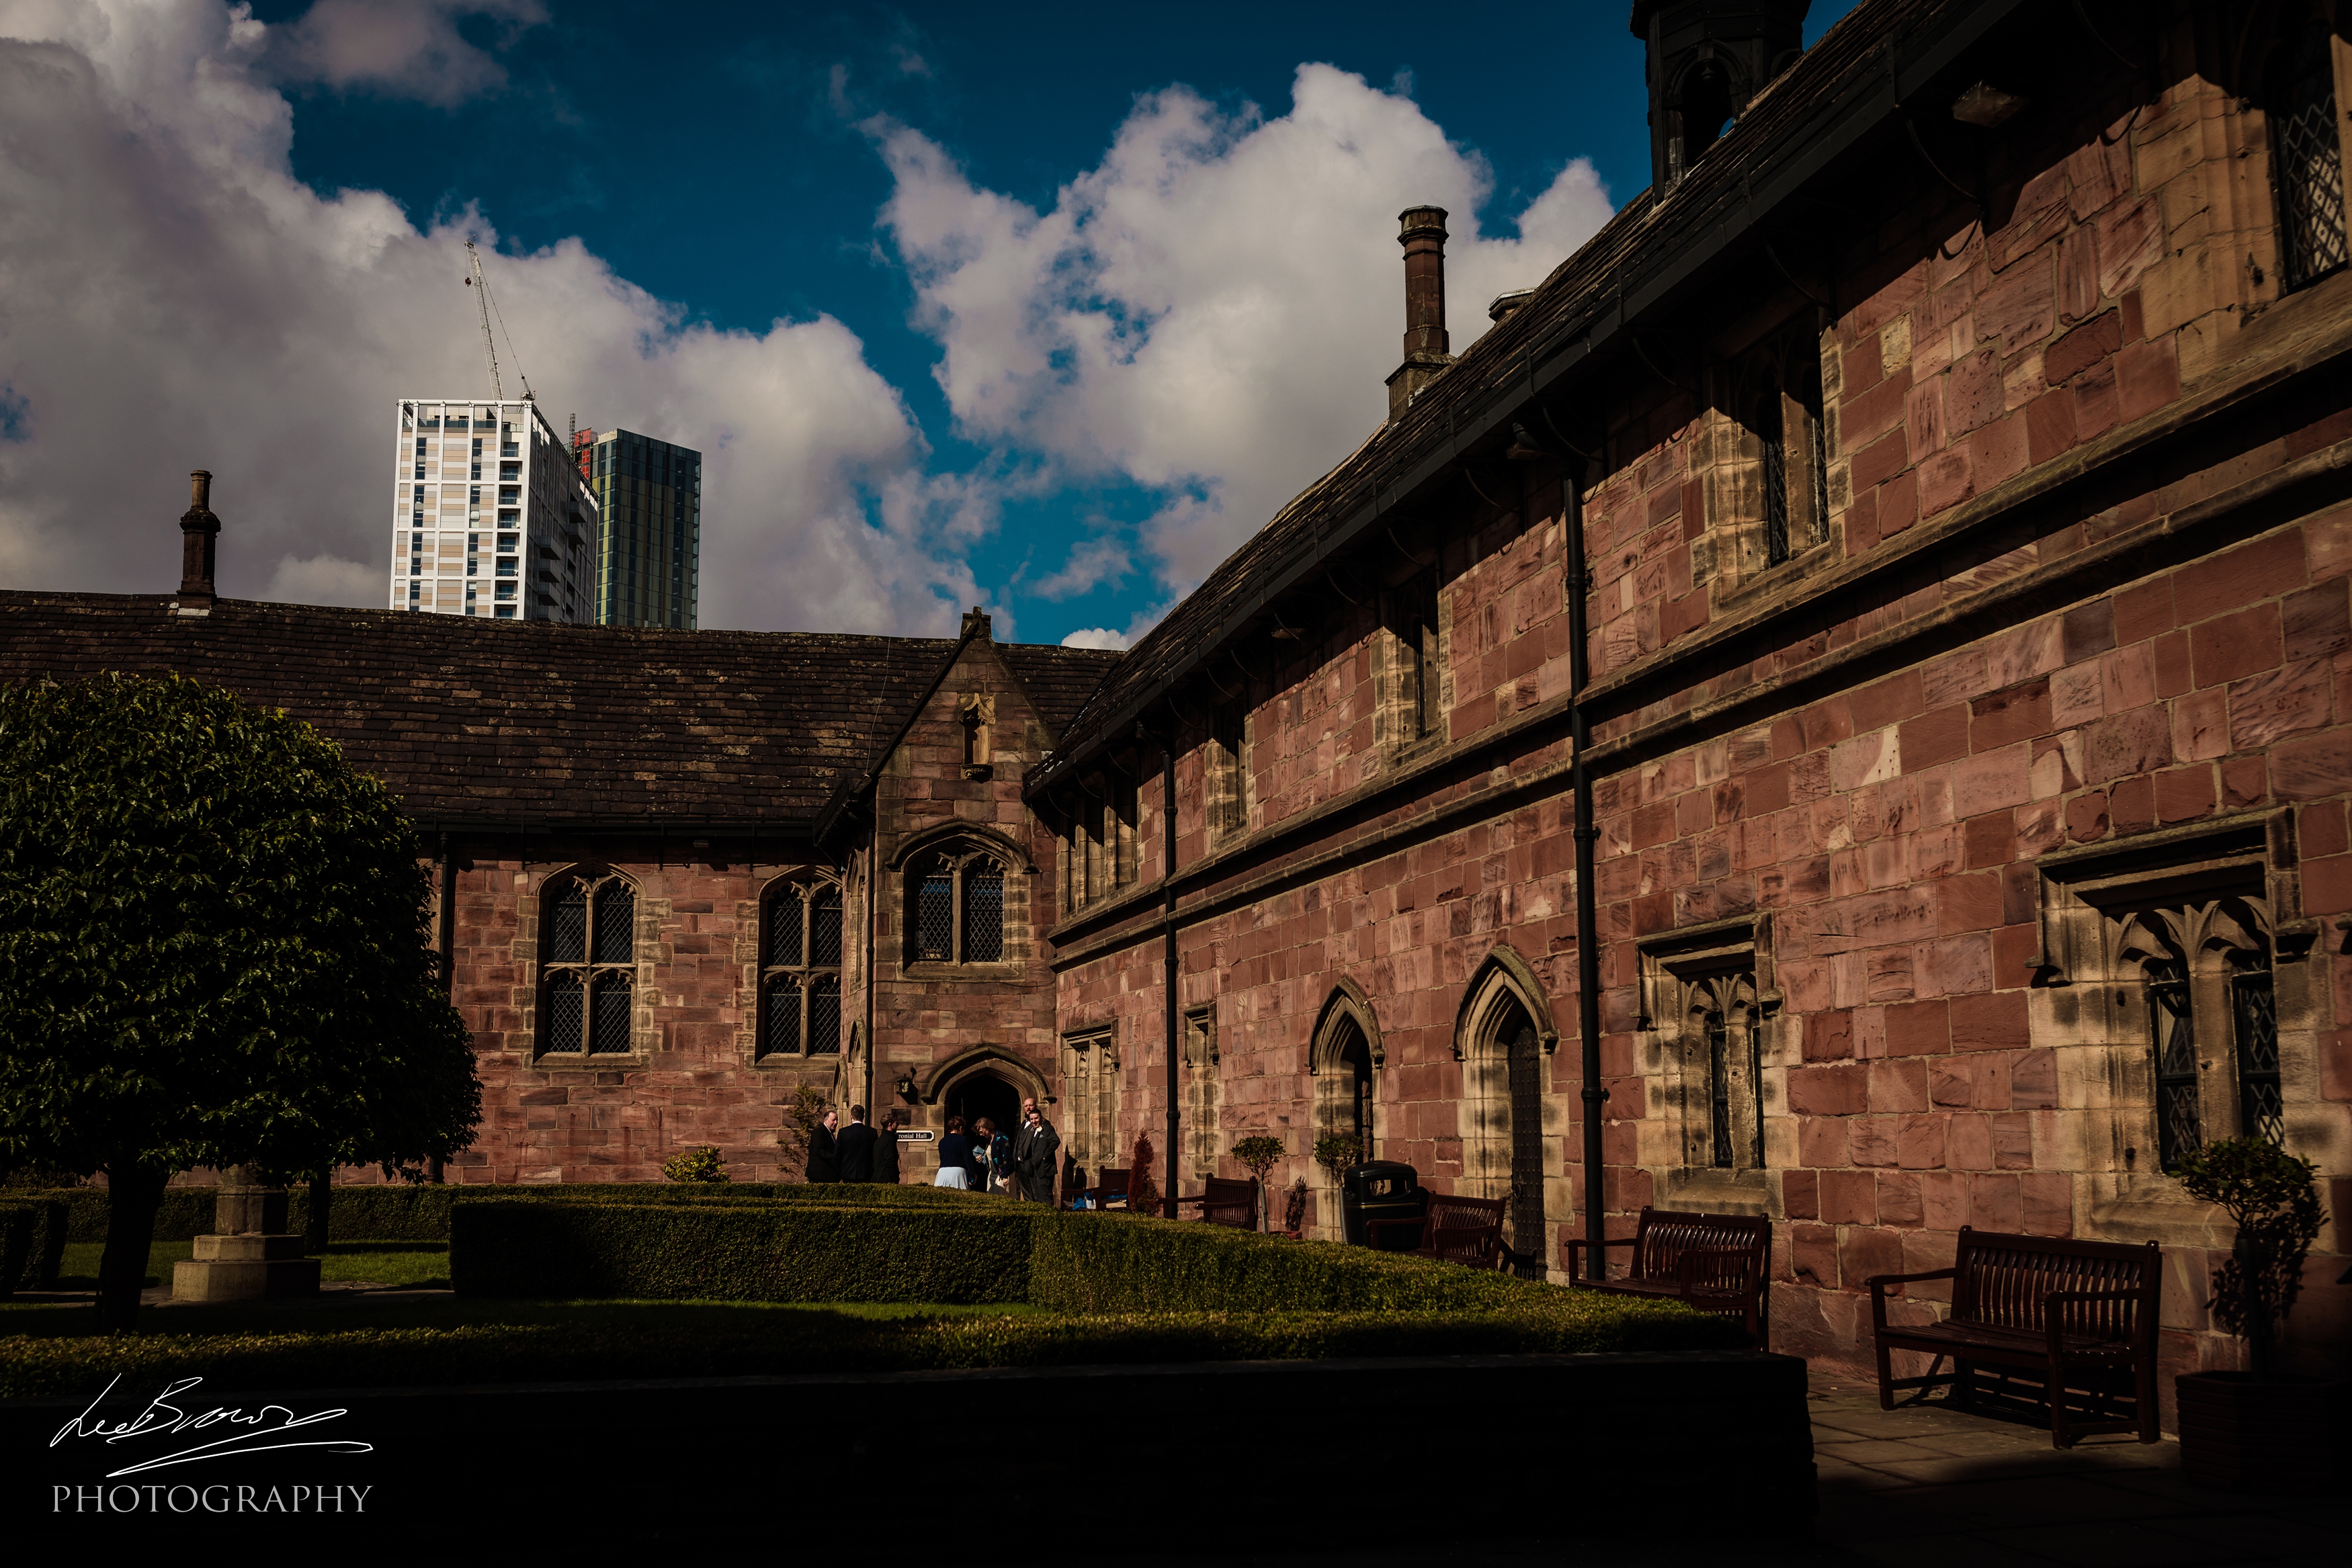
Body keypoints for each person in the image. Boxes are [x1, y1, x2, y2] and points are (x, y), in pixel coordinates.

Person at [1013, 1102, 1060, 1204]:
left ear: (1041, 1118)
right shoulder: (1032, 1129)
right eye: (1032, 1119)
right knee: (1038, 1197)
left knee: (1045, 1197)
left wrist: (1045, 1156)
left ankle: (1051, 1218)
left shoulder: (1047, 1128)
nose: (1034, 1121)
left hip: (1045, 1169)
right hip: (1036, 1169)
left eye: (1036, 1119)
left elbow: (1056, 1141)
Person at [836, 1104, 876, 1182]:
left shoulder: (843, 1132)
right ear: (863, 1117)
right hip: (866, 1173)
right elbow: (875, 1154)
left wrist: (840, 1172)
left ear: (851, 1116)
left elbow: (837, 1154)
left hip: (847, 1173)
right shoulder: (872, 1132)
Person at [933, 1116, 972, 1190]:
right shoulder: (964, 1140)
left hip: (942, 1173)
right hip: (958, 1173)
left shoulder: (942, 1141)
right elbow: (968, 1159)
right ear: (960, 1128)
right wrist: (973, 1174)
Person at [806, 1106, 840, 1183]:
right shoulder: (819, 1132)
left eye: (837, 1120)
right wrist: (835, 1158)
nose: (836, 1123)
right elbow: (820, 1151)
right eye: (833, 1120)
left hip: (827, 1175)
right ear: (825, 1120)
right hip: (820, 1176)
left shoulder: (829, 1133)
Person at [972, 1117, 1007, 1192]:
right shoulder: (988, 1140)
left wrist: (1005, 1176)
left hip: (1002, 1175)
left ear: (987, 1127)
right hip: (992, 1174)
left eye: (982, 1132)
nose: (981, 1135)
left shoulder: (1000, 1137)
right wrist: (982, 1158)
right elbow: (992, 1156)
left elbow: (1006, 1156)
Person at [873, 1109, 902, 1185]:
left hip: (878, 1178)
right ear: (890, 1125)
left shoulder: (879, 1140)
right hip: (887, 1180)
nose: (898, 1125)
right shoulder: (889, 1141)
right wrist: (895, 1178)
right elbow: (890, 1162)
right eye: (896, 1123)